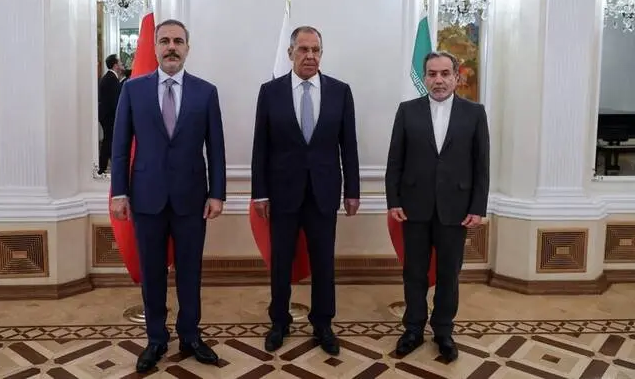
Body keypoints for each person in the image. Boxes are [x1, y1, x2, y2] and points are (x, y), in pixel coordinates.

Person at [110, 19, 226, 373]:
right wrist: (119, 192)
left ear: (187, 48)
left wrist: (217, 193)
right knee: (153, 272)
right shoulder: (133, 89)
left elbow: (216, 148)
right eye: (164, 41)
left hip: (192, 198)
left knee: (190, 271)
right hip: (147, 197)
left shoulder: (206, 92)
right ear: (155, 47)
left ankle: (190, 335)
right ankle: (156, 338)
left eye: (178, 41)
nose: (171, 47)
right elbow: (119, 147)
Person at [251, 25, 360, 355]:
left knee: (324, 262)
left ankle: (323, 323)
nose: (310, 55)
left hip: (324, 192)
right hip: (282, 192)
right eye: (303, 49)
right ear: (290, 53)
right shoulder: (270, 92)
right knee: (281, 261)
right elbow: (261, 147)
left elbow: (349, 146)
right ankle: (279, 322)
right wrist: (259, 193)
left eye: (315, 50)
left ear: (321, 54)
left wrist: (353, 191)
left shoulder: (340, 92)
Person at [385, 50, 489, 363]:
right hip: (414, 207)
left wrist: (477, 207)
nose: (439, 80)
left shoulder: (475, 113)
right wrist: (394, 201)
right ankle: (413, 329)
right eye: (432, 74)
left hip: (456, 209)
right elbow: (395, 161)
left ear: (456, 77)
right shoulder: (407, 111)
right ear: (425, 77)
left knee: (448, 274)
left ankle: (443, 330)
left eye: (445, 74)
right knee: (414, 273)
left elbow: (481, 165)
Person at [97, 54, 123, 174]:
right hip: (109, 116)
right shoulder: (111, 79)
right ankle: (102, 168)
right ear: (115, 65)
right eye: (120, 62)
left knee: (110, 141)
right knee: (109, 141)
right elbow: (115, 101)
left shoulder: (109, 78)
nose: (122, 64)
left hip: (106, 115)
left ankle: (108, 166)